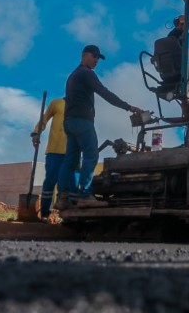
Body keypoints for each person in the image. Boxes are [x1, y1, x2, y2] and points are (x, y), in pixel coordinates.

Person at [53, 45, 142, 209]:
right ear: (84, 55)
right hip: (82, 122)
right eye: (94, 56)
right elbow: (104, 92)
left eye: (98, 58)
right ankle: (85, 195)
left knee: (70, 161)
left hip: (70, 122)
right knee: (91, 155)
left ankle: (62, 198)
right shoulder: (86, 73)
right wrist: (128, 107)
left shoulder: (72, 76)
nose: (96, 61)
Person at [30, 96, 68, 220]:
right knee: (50, 182)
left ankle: (66, 215)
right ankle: (45, 214)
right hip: (54, 150)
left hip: (72, 152)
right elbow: (44, 119)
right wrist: (36, 132)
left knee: (68, 183)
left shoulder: (80, 105)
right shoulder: (56, 103)